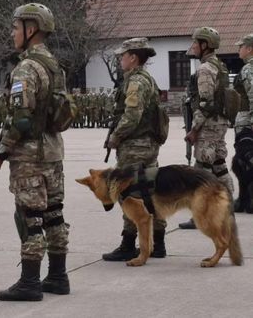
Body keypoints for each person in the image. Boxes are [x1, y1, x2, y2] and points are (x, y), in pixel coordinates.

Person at [0, 3, 69, 301]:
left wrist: (0, 153)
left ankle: (30, 282)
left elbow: (20, 117)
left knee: (30, 217)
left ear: (30, 29)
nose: (12, 33)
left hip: (30, 158)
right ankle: (58, 276)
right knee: (54, 215)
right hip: (53, 154)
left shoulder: (26, 68)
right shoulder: (54, 66)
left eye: (15, 27)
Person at [101, 38, 167, 261]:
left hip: (135, 147)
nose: (121, 59)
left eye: (123, 55)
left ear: (134, 58)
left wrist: (115, 137)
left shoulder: (136, 81)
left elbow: (132, 116)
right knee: (150, 193)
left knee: (128, 194)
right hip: (148, 146)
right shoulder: (147, 78)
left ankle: (128, 244)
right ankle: (158, 244)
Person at [181, 27, 235, 229]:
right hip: (219, 123)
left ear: (205, 45)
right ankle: (228, 206)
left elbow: (205, 102)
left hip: (208, 124)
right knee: (219, 165)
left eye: (196, 42)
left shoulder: (205, 69)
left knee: (200, 171)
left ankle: (199, 215)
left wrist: (194, 129)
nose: (193, 46)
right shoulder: (219, 66)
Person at [232, 34, 253, 212]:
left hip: (247, 123)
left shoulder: (248, 69)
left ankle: (246, 200)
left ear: (249, 49)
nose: (239, 49)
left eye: (241, 46)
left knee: (243, 163)